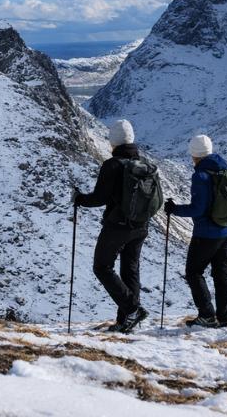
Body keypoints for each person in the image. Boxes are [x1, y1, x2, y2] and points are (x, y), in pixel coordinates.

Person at [73, 119, 151, 333]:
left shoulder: (113, 164)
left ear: (113, 141)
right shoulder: (143, 163)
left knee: (102, 267)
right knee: (130, 270)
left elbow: (99, 198)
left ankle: (133, 310)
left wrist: (80, 199)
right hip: (141, 225)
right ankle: (126, 320)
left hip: (117, 225)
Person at [165, 134, 227, 328]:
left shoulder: (201, 176)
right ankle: (224, 317)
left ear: (194, 155)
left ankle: (206, 315)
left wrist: (174, 209)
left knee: (193, 272)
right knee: (221, 273)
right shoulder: (226, 169)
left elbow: (198, 209)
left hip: (207, 233)